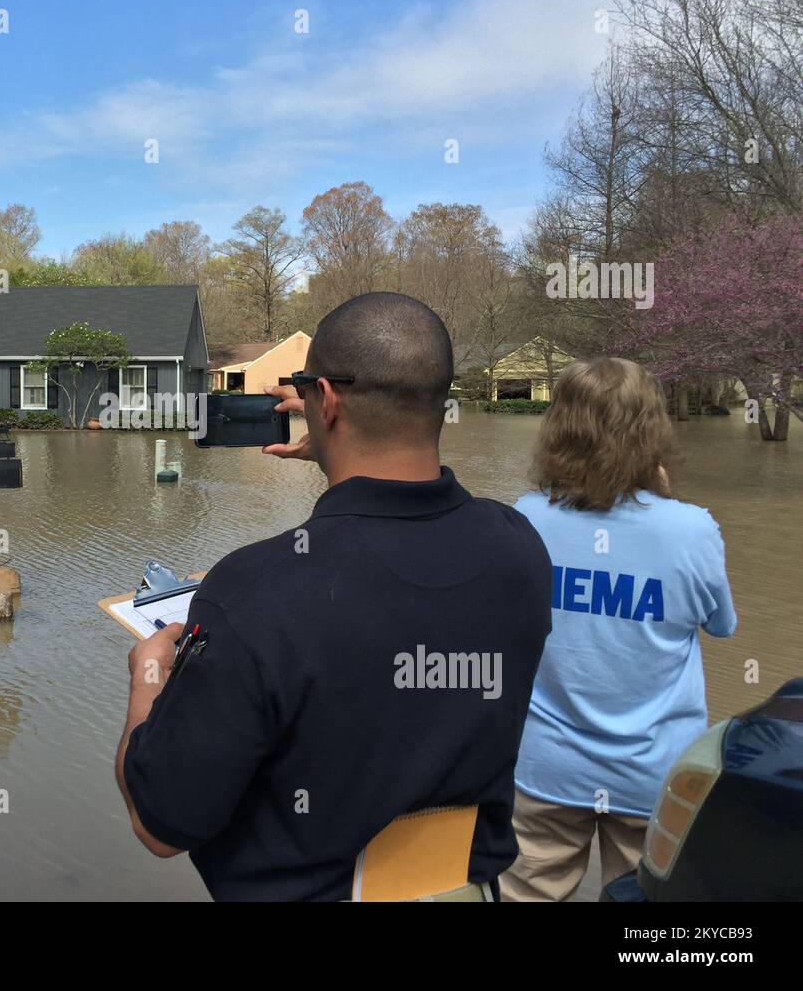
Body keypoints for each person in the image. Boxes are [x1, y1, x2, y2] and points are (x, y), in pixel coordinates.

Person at [114, 292, 553, 902]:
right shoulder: (520, 548)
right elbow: (416, 543)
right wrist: (337, 440)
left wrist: (151, 672)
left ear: (325, 399)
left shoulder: (253, 588)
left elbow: (161, 825)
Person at [498, 357, 737, 902]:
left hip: (543, 770)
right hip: (653, 775)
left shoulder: (524, 519)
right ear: (652, 432)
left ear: (556, 430)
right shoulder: (691, 529)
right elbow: (722, 625)